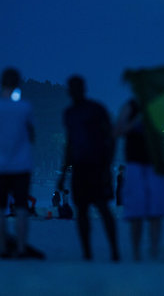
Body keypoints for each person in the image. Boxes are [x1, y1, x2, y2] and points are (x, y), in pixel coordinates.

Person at [57, 75, 119, 261]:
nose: (74, 91)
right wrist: (63, 173)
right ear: (69, 91)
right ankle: (87, 252)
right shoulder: (69, 113)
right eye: (72, 87)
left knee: (103, 208)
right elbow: (69, 144)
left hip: (97, 167)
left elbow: (111, 138)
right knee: (82, 211)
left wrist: (107, 166)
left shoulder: (96, 109)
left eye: (77, 87)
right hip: (79, 169)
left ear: (83, 89)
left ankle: (114, 251)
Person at [0, 67, 36, 257]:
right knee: (21, 209)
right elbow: (32, 134)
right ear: (18, 84)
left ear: (0, 83)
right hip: (22, 165)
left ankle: (3, 248)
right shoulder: (25, 107)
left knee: (0, 209)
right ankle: (21, 248)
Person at [114, 99, 164, 260]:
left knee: (156, 212)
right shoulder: (130, 106)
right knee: (136, 212)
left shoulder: (158, 105)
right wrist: (137, 120)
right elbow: (118, 131)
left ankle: (154, 250)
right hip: (135, 164)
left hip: (154, 165)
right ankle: (136, 252)